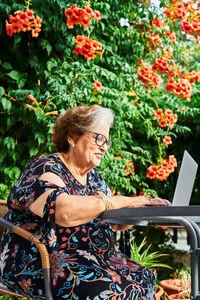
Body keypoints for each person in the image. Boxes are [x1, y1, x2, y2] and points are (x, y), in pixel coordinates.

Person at [0, 105, 171, 299]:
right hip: (43, 261)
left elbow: (114, 221)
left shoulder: (94, 177)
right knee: (110, 291)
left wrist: (145, 211)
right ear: (72, 136)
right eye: (98, 138)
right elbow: (63, 212)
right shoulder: (44, 168)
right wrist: (121, 201)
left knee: (144, 278)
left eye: (106, 141)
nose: (104, 147)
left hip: (94, 258)